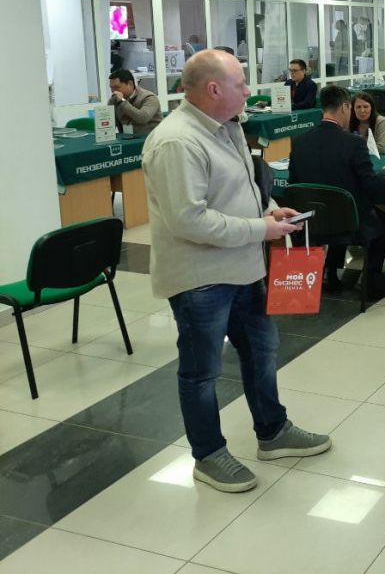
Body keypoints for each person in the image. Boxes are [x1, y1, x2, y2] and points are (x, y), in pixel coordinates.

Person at [142, 50, 331, 494]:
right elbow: (188, 220)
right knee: (201, 371)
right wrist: (260, 229)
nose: (249, 91)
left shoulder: (228, 126)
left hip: (244, 267)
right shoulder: (176, 142)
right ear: (213, 89)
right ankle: (208, 455)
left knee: (262, 350)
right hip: (200, 280)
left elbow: (242, 189)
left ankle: (273, 431)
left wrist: (269, 210)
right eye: (241, 84)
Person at [290, 85, 385, 299]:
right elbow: (371, 186)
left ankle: (330, 272)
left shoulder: (299, 142)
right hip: (350, 223)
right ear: (345, 107)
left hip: (312, 222)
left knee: (336, 214)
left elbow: (294, 185)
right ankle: (369, 278)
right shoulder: (354, 144)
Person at [109, 69, 163, 136]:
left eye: (117, 87)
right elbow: (109, 123)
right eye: (111, 88)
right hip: (127, 139)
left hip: (150, 139)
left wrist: (122, 101)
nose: (113, 91)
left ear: (130, 83)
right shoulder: (115, 99)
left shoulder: (149, 97)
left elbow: (143, 118)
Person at [350, 92, 385, 156]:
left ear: (371, 108)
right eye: (358, 107)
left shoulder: (380, 121)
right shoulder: (348, 121)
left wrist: (356, 148)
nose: (362, 110)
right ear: (353, 109)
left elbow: (381, 148)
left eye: (365, 107)